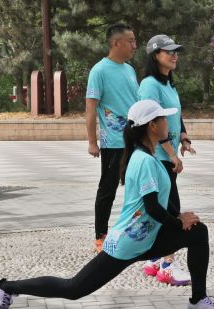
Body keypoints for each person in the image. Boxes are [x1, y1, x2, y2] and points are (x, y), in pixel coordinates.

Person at [0, 100, 214, 309]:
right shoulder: (144, 161)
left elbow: (159, 200)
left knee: (198, 232)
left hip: (145, 240)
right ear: (152, 126)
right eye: (163, 119)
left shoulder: (147, 156)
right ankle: (4, 287)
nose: (168, 124)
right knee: (74, 288)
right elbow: (152, 207)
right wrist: (177, 221)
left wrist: (180, 217)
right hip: (127, 243)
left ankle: (198, 300)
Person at [137, 34, 196, 285]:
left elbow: (175, 115)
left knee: (164, 207)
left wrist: (184, 139)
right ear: (155, 55)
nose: (174, 55)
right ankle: (167, 265)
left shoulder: (168, 84)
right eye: (168, 51)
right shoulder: (150, 85)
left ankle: (154, 260)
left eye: (176, 51)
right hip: (158, 157)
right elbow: (153, 123)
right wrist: (172, 155)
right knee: (171, 209)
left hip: (167, 154)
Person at [85, 24, 139, 252]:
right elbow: (90, 108)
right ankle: (101, 236)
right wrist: (91, 141)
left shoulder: (129, 69)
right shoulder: (99, 71)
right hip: (113, 142)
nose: (134, 45)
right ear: (116, 43)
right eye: (130, 41)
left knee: (137, 187)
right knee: (107, 189)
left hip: (136, 139)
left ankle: (135, 233)